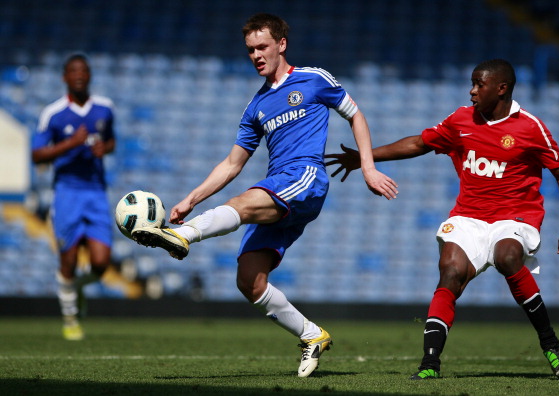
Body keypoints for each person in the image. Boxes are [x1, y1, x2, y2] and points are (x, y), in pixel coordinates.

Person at [132, 13, 397, 377]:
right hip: (278, 187)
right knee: (249, 280)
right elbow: (231, 164)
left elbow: (356, 115)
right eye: (250, 50)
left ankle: (182, 236)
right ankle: (311, 335)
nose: (256, 55)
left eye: (262, 47)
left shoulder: (314, 80)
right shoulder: (255, 108)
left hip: (305, 178)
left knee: (240, 204)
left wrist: (367, 166)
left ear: (281, 45)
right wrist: (190, 199)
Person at [325, 59, 559, 379]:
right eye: (472, 84)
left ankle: (551, 344)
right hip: (469, 216)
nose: (472, 91)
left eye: (479, 84)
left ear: (501, 89)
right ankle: (430, 363)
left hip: (515, 216)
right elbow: (419, 143)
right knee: (451, 270)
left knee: (507, 255)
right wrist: (365, 157)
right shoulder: (461, 120)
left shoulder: (530, 127)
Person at [32, 53, 116, 341]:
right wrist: (71, 143)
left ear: (90, 75)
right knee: (67, 261)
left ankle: (77, 288)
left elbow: (111, 140)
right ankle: (70, 319)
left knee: (102, 263)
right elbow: (37, 154)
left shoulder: (105, 109)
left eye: (83, 71)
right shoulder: (53, 113)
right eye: (73, 71)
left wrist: (104, 149)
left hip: (95, 191)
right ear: (64, 78)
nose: (79, 75)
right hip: (67, 192)